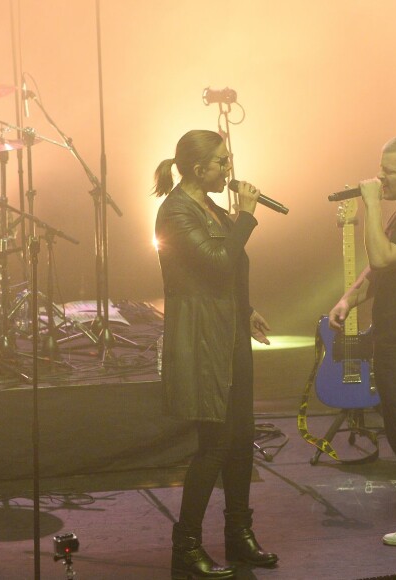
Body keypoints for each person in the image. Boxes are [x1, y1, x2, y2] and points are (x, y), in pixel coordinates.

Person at [154, 129, 278, 579]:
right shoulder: (176, 212)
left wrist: (245, 310)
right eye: (221, 163)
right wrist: (245, 216)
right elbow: (219, 261)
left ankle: (238, 535)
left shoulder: (208, 205)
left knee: (242, 438)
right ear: (197, 167)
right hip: (202, 336)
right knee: (215, 443)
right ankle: (186, 545)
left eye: (227, 161)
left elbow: (229, 273)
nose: (229, 169)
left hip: (228, 331)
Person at [329, 135, 396, 547]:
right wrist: (349, 297)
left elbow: (381, 257)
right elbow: (378, 271)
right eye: (381, 170)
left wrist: (370, 206)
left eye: (390, 172)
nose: (380, 178)